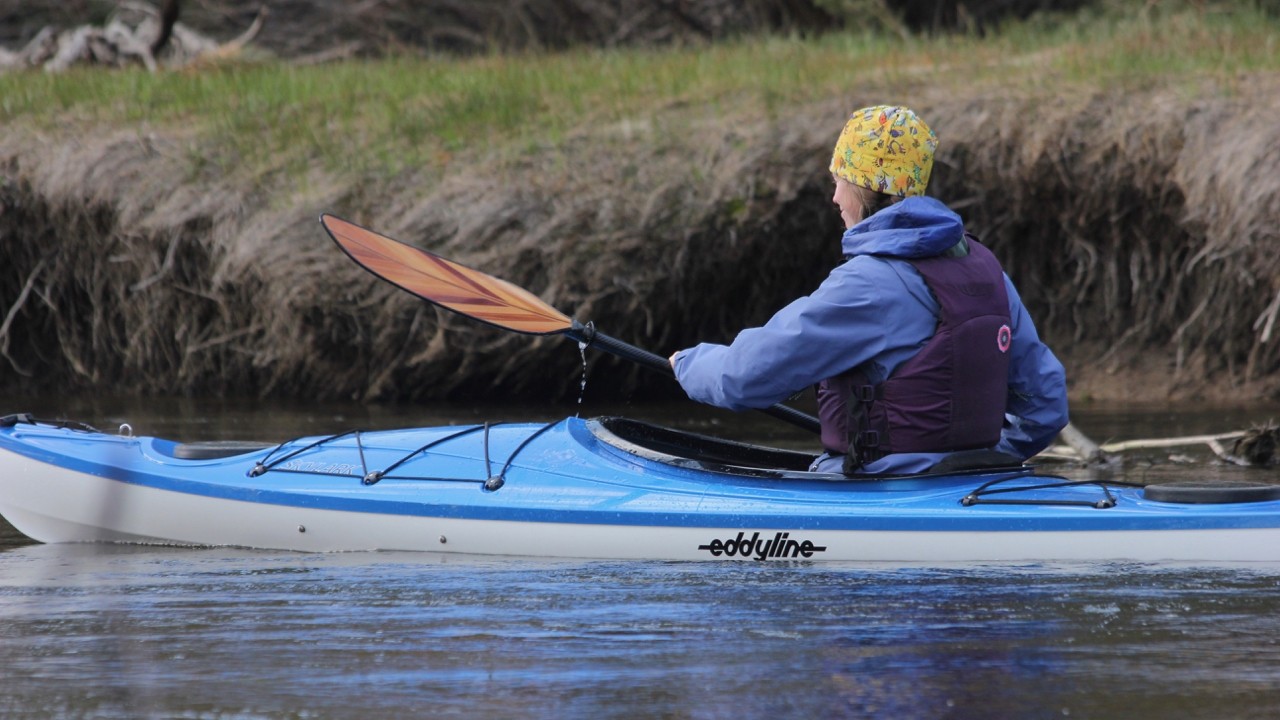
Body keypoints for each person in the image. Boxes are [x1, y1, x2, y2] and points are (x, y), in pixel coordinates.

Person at [668, 105, 1068, 474]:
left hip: (880, 493)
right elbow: (1045, 407)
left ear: (865, 185)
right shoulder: (987, 270)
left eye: (839, 180)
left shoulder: (866, 284)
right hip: (978, 484)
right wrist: (984, 462)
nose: (835, 197)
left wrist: (687, 364)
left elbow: (744, 378)